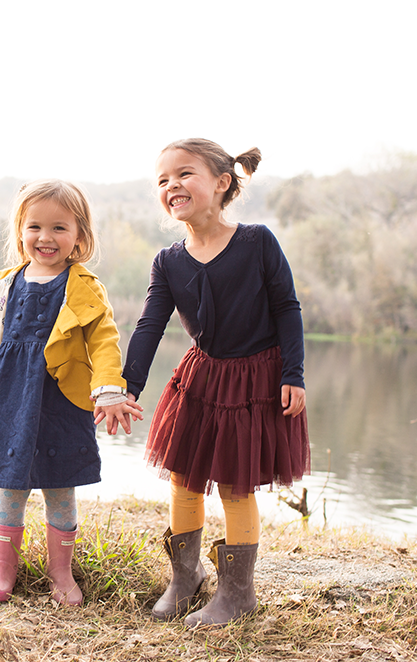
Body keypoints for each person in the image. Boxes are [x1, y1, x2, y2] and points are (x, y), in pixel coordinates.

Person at [123, 138, 309, 627]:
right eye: (162, 180)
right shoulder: (168, 262)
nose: (172, 185)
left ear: (222, 183)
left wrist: (294, 374)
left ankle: (237, 593)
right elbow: (149, 327)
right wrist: (128, 387)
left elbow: (287, 308)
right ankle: (186, 579)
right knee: (184, 478)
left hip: (253, 380)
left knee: (234, 483)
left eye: (184, 174)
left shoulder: (256, 242)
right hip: (201, 378)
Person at [0, 179, 144, 606]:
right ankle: (3, 568)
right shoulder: (4, 284)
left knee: (61, 486)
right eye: (35, 226)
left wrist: (110, 391)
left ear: (80, 235)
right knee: (11, 485)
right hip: (11, 400)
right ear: (20, 231)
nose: (46, 237)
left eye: (60, 228)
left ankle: (61, 572)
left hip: (62, 401)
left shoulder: (84, 285)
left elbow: (104, 342)